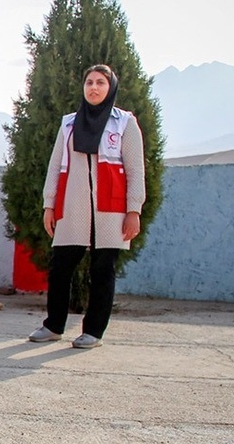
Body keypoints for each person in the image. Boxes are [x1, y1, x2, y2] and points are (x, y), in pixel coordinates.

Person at [28, 64, 146, 350]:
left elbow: (135, 170)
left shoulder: (124, 123)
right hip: (74, 204)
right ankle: (54, 325)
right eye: (89, 82)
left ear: (111, 87)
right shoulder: (68, 123)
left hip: (110, 209)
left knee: (103, 269)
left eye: (101, 83)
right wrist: (49, 204)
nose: (94, 87)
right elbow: (55, 166)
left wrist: (134, 210)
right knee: (61, 267)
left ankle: (93, 331)